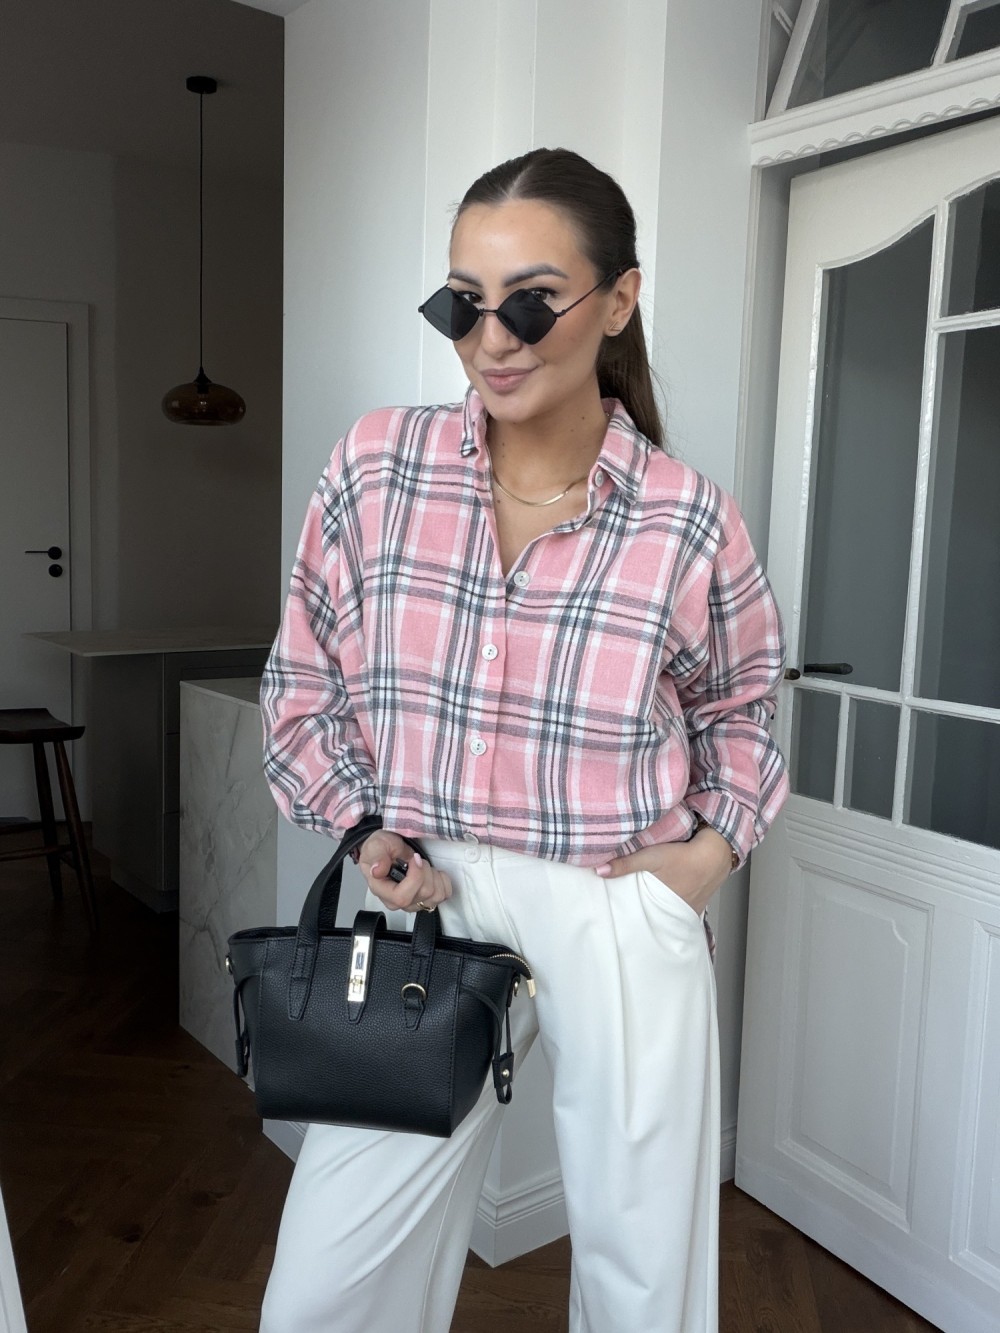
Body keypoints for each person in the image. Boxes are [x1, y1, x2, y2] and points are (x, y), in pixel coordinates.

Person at [258, 146, 788, 1333]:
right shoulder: (375, 467)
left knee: (643, 1277)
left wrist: (707, 856)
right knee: (326, 1283)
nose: (492, 339)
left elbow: (744, 706)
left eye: (532, 301)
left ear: (619, 298)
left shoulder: (686, 518)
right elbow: (303, 677)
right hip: (430, 895)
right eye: (463, 303)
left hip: (617, 899)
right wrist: (364, 825)